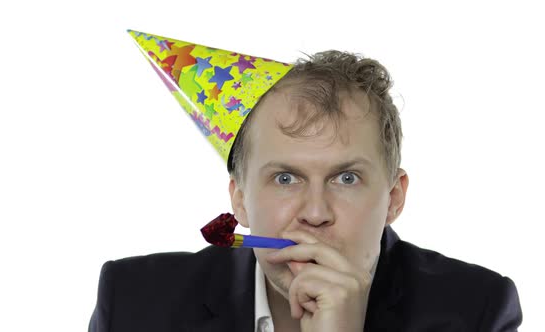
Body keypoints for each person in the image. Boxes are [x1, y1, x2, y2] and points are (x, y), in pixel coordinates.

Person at [88, 32, 522, 331]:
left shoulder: (476, 311)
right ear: (239, 200)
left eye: (347, 178)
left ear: (393, 199)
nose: (315, 213)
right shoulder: (133, 303)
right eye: (285, 177)